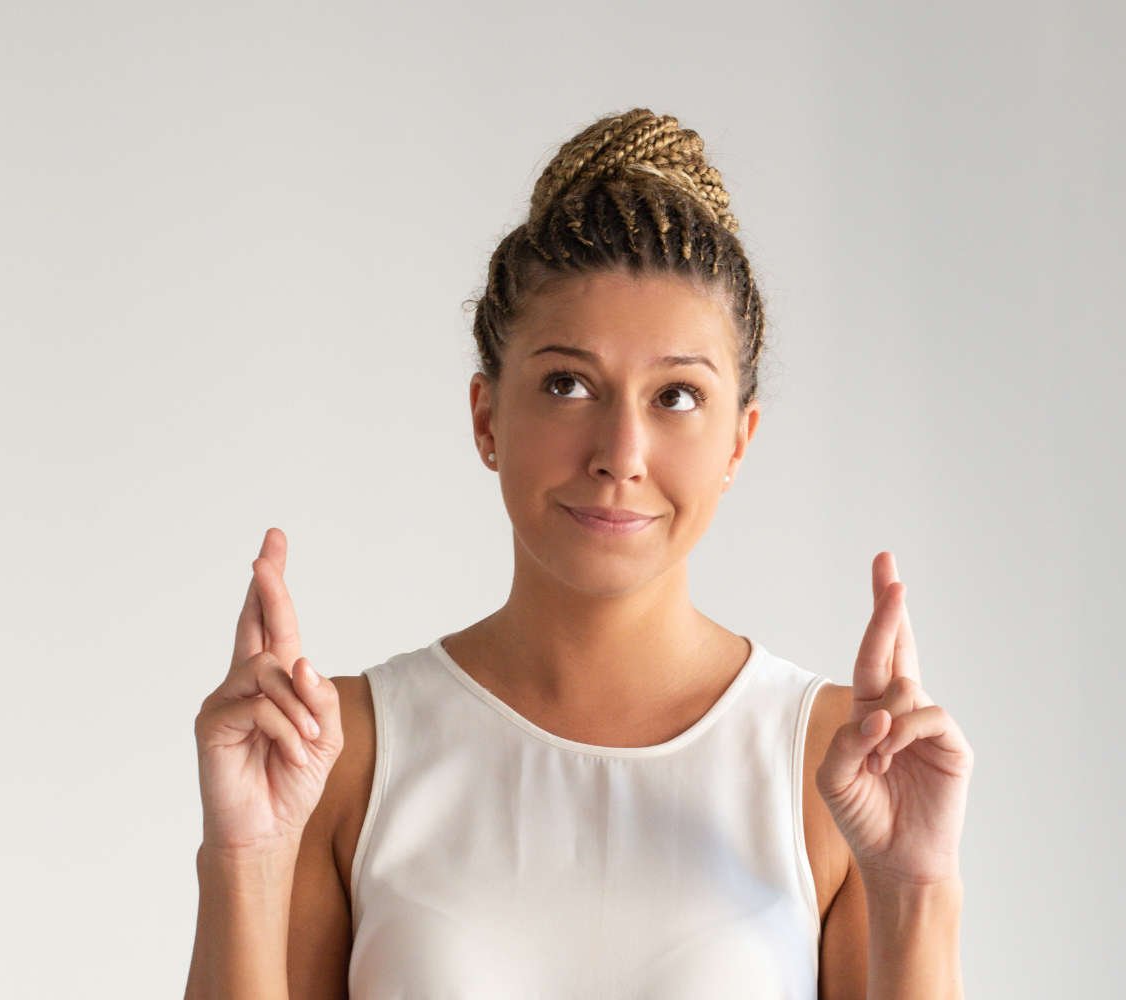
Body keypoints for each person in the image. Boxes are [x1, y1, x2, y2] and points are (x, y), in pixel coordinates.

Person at [185, 107, 973, 999]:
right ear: (488, 417)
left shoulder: (835, 762)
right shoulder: (342, 752)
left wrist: (918, 890)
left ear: (738, 444)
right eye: (567, 384)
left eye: (677, 396)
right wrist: (244, 855)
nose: (620, 452)